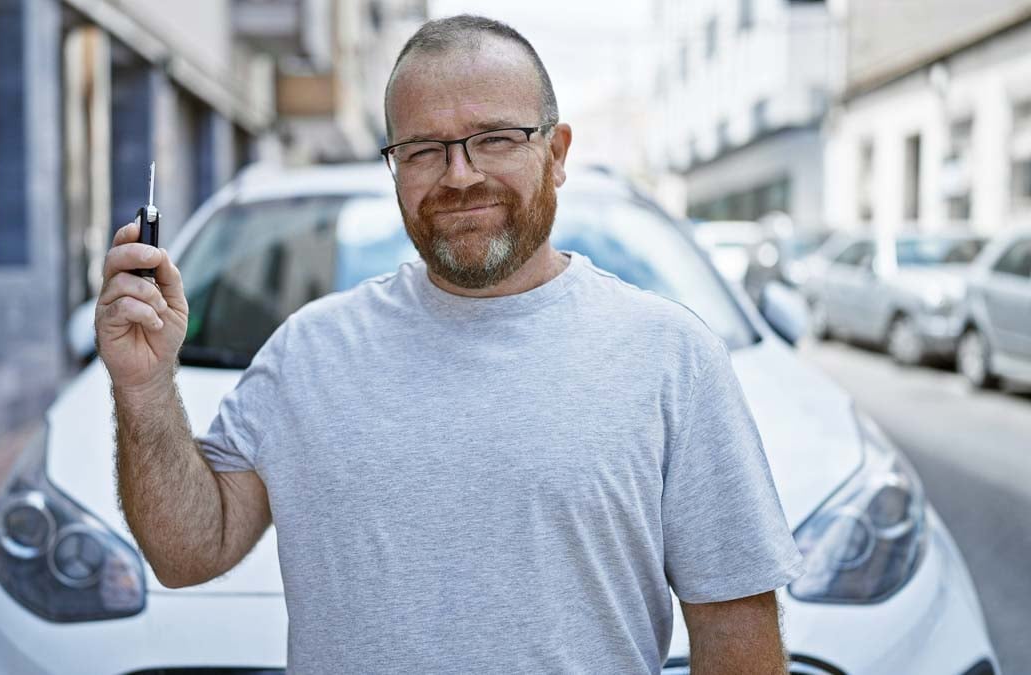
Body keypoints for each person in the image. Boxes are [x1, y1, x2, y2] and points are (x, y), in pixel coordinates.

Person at [97, 14, 804, 674]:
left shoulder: (670, 356)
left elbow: (735, 631)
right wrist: (144, 385)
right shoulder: (309, 352)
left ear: (556, 154)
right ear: (395, 168)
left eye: (495, 138)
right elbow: (189, 550)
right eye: (424, 149)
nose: (459, 174)